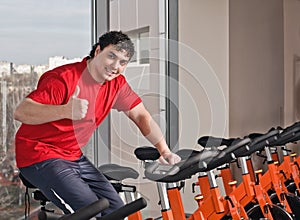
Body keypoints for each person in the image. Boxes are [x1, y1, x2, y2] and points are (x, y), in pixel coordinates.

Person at [14, 31, 181, 218]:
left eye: (122, 62)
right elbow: (22, 112)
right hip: (39, 155)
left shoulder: (117, 84)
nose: (115, 67)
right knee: (91, 210)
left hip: (73, 156)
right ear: (98, 51)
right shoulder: (64, 78)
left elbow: (141, 116)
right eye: (111, 56)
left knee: (117, 211)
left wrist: (165, 151)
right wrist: (65, 111)